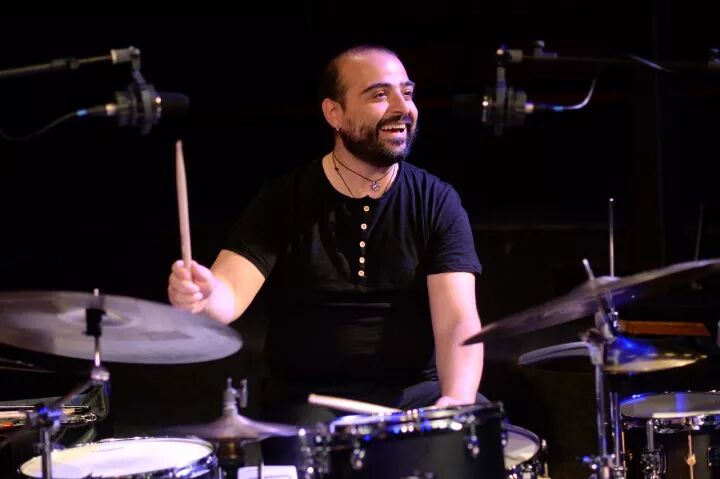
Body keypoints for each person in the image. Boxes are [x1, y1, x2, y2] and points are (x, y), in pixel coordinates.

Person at [167, 44, 486, 462]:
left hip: (414, 394)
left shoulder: (436, 201)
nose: (401, 107)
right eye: (379, 94)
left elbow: (458, 321)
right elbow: (228, 293)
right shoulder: (284, 199)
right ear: (334, 113)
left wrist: (456, 400)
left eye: (407, 93)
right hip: (309, 401)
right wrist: (202, 295)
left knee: (482, 434)